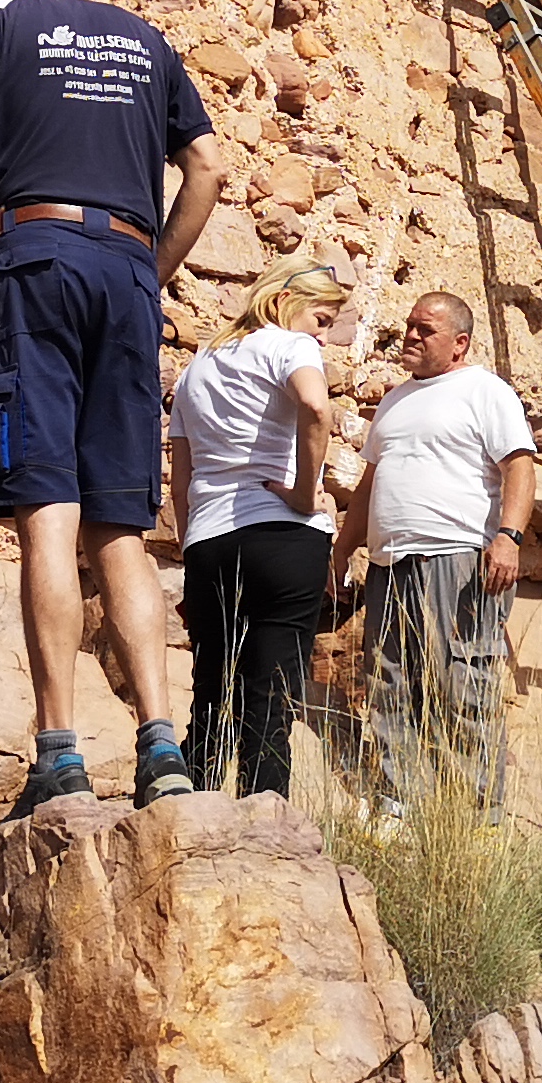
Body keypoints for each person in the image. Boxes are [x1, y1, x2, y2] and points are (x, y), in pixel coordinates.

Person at [0, 0, 222, 814]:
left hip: (32, 257)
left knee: (47, 508)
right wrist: (153, 269)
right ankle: (162, 744)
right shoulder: (143, 39)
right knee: (119, 521)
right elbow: (206, 164)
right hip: (125, 271)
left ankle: (60, 751)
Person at [331, 292, 537, 810]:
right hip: (390, 565)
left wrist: (508, 537)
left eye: (427, 330)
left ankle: (480, 817)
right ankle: (396, 804)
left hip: (460, 562)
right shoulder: (395, 401)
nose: (412, 336)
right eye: (410, 326)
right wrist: (341, 551)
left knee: (463, 686)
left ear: (460, 343)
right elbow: (369, 485)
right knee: (390, 683)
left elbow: (519, 467)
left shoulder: (484, 391)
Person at [167, 253, 345, 798]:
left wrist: (189, 546)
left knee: (211, 696)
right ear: (291, 299)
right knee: (270, 698)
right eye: (323, 318)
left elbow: (181, 474)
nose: (325, 333)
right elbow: (315, 407)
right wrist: (301, 491)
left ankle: (188, 817)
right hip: (282, 535)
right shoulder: (288, 344)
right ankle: (266, 835)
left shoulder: (198, 366)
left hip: (209, 540)